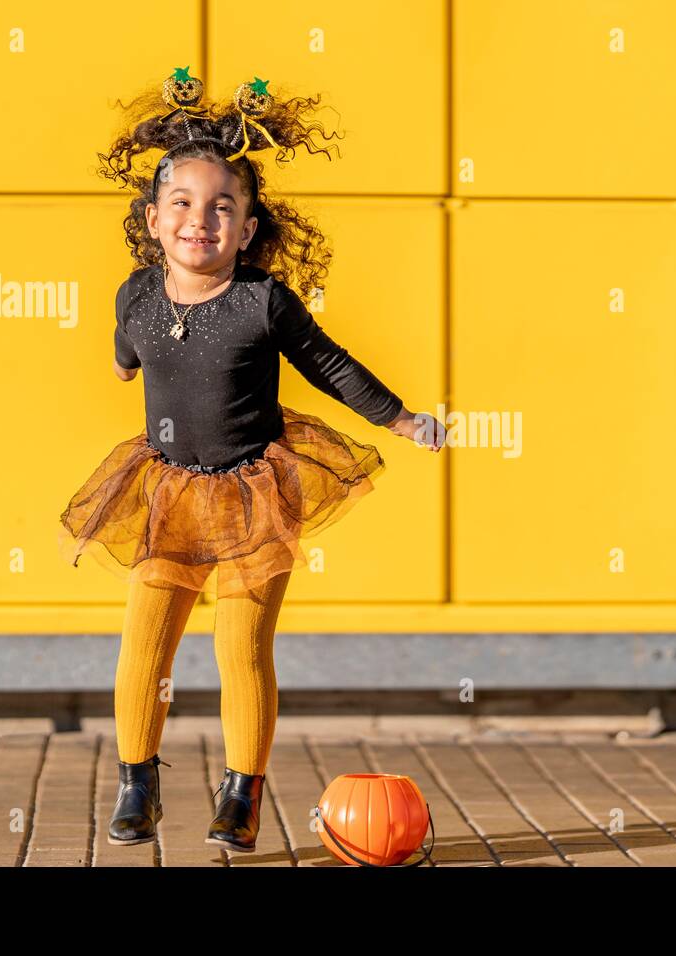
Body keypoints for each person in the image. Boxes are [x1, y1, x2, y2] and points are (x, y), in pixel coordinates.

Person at [57, 68, 444, 852]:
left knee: (242, 649)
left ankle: (242, 791)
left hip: (253, 494)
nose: (201, 220)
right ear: (155, 221)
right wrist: (126, 367)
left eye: (221, 209)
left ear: (246, 229)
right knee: (146, 640)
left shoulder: (262, 301)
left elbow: (330, 365)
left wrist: (400, 417)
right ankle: (138, 780)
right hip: (166, 491)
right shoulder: (135, 295)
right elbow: (125, 347)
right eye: (184, 205)